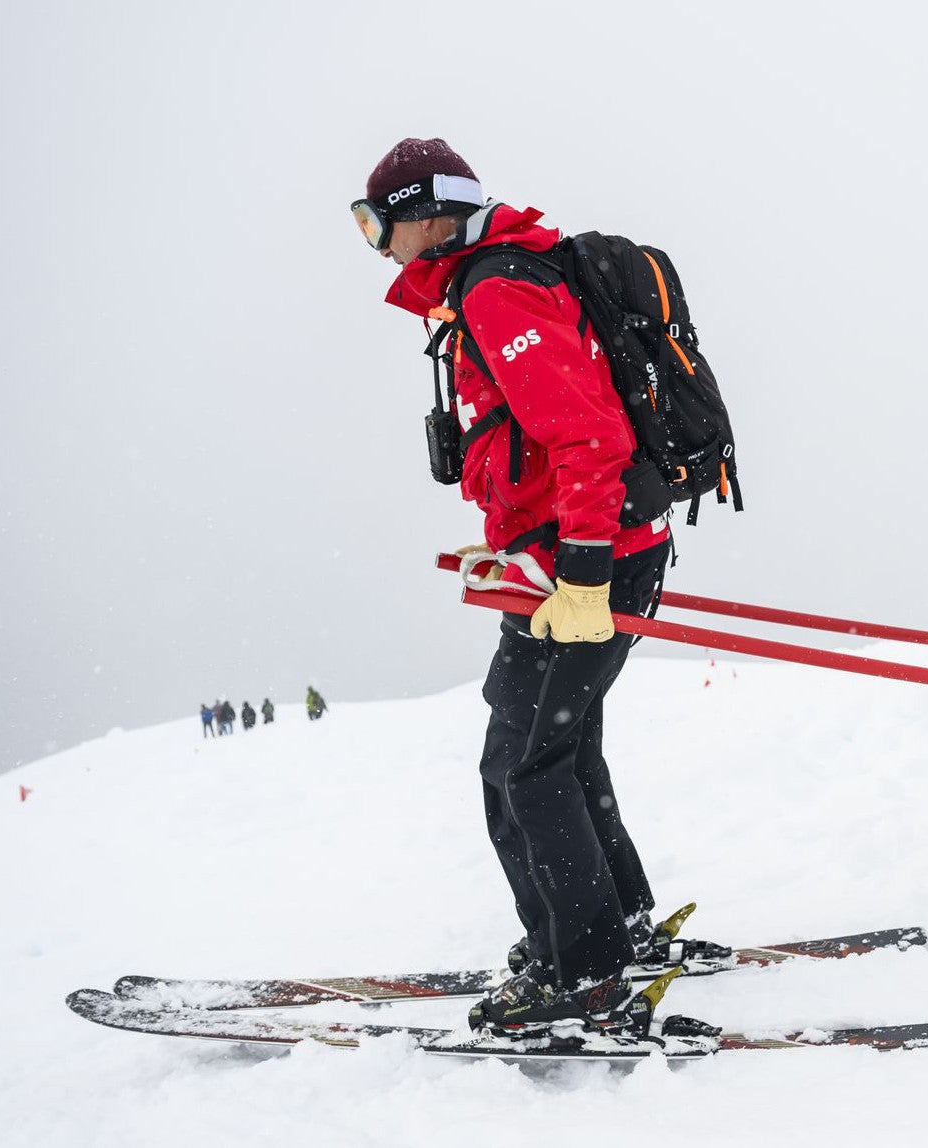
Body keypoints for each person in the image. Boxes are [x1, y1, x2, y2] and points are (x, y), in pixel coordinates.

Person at [350, 138, 720, 1042]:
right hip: (581, 549)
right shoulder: (502, 275)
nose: (376, 243)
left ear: (426, 213)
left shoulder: (497, 290)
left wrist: (583, 572)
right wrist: (511, 540)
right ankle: (615, 930)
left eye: (376, 223)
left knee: (524, 766)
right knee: (557, 747)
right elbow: (531, 438)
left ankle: (581, 975)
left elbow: (587, 436)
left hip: (589, 558)